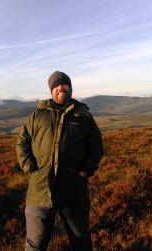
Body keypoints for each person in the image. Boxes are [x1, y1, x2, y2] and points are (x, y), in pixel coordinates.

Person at [16, 71, 104, 250]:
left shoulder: (83, 115)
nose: (60, 88)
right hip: (40, 189)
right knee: (35, 244)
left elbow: (96, 144)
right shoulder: (38, 115)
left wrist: (86, 170)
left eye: (64, 84)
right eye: (56, 85)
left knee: (80, 241)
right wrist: (30, 167)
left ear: (70, 88)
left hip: (74, 189)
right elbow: (22, 141)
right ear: (51, 90)